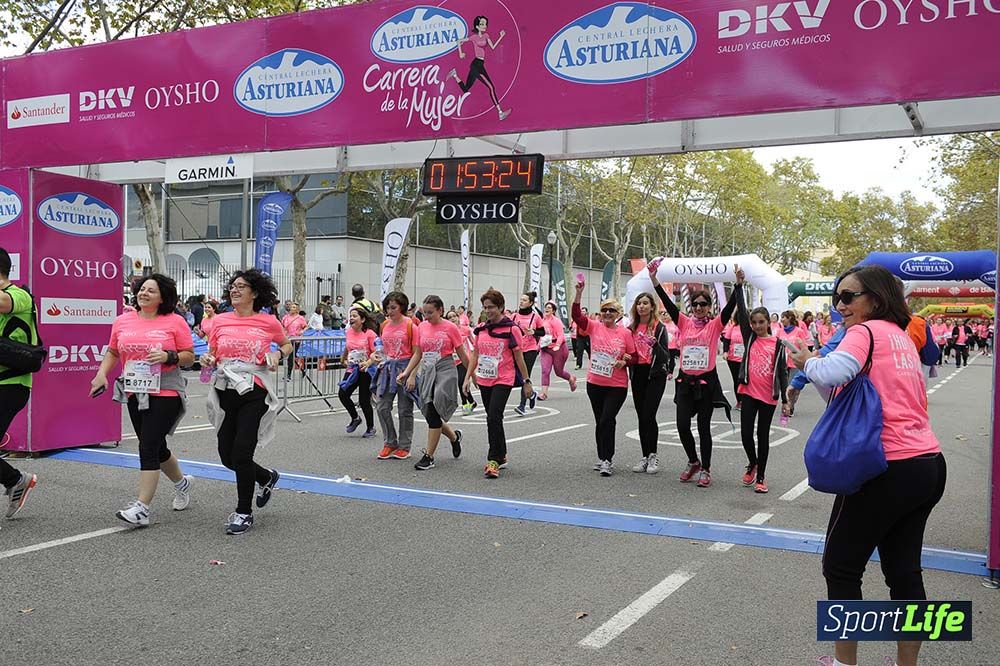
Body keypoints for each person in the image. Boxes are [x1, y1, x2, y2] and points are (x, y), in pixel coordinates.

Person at [789, 265, 945, 666]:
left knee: (840, 567)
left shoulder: (865, 332)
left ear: (874, 299)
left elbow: (833, 371)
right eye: (836, 298)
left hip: (885, 467)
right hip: (927, 464)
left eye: (847, 297)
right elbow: (850, 395)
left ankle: (844, 663)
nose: (840, 306)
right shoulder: (901, 338)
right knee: (904, 572)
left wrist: (807, 361)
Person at [91, 274, 195, 526]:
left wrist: (168, 356)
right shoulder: (122, 320)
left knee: (147, 446)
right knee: (156, 448)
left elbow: (189, 357)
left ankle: (142, 509)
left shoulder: (175, 321)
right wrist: (101, 374)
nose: (144, 293)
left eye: (151, 290)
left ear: (163, 298)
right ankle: (182, 483)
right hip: (135, 390)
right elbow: (114, 351)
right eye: (142, 289)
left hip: (166, 390)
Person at [201, 269, 292, 535]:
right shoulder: (219, 321)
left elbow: (286, 344)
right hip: (225, 388)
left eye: (241, 286)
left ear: (255, 292)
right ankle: (266, 477)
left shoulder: (267, 321)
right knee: (228, 457)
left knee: (241, 453)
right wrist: (208, 359)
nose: (235, 290)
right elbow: (213, 353)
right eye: (233, 286)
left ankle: (243, 512)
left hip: (254, 390)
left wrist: (277, 354)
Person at [650, 261, 738, 488]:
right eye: (696, 304)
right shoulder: (684, 322)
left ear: (709, 307)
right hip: (685, 383)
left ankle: (706, 468)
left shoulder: (715, 325)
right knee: (681, 425)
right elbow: (668, 304)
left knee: (703, 427)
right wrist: (654, 280)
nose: (699, 307)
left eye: (703, 304)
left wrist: (738, 285)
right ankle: (693, 461)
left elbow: (728, 310)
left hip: (706, 383)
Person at [462, 288, 534, 479]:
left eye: (492, 307)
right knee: (493, 418)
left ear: (501, 307)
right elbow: (475, 354)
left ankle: (492, 460)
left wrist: (527, 381)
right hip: (485, 378)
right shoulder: (482, 329)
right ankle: (501, 455)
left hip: (504, 378)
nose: (488, 311)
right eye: (485, 307)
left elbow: (519, 358)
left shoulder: (512, 329)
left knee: (494, 416)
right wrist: (468, 376)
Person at [572, 279, 636, 476]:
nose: (607, 314)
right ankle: (602, 457)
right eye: (604, 310)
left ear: (618, 315)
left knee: (608, 419)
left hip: (616, 385)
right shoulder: (594, 326)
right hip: (595, 383)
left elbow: (634, 357)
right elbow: (576, 316)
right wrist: (579, 293)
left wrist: (624, 361)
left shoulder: (625, 333)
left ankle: (608, 459)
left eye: (612, 311)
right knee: (600, 420)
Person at [732, 274, 787, 494]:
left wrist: (785, 400)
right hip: (749, 393)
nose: (756, 326)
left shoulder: (778, 344)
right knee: (746, 434)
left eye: (761, 322)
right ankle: (752, 463)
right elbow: (742, 309)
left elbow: (782, 373)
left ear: (768, 322)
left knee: (762, 436)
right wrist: (738, 285)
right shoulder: (750, 337)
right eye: (753, 323)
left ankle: (761, 476)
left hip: (768, 397)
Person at [408, 295, 469, 471]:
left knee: (434, 411)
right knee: (428, 412)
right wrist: (408, 373)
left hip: (445, 369)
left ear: (440, 310)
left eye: (430, 312)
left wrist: (471, 375)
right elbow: (418, 353)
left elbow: (462, 353)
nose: (426, 316)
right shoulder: (422, 326)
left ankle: (429, 456)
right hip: (428, 370)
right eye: (424, 312)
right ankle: (454, 437)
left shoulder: (450, 328)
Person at [0, 247, 38, 522]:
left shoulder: (20, 295)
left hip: (12, 384)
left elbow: (4, 304)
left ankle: (16, 479)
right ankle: (15, 479)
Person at [626, 291, 669, 475]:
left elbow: (666, 356)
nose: (641, 306)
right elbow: (627, 351)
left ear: (652, 306)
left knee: (648, 415)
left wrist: (655, 345)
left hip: (655, 374)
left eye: (645, 303)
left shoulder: (659, 328)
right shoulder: (631, 327)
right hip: (638, 374)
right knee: (641, 416)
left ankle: (653, 455)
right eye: (639, 303)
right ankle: (645, 456)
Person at [373, 292, 418, 460]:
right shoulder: (384, 325)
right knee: (382, 405)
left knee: (405, 409)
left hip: (405, 367)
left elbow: (417, 353)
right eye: (387, 308)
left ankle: (405, 446)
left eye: (393, 307)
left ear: (402, 307)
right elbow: (381, 347)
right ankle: (390, 442)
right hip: (387, 368)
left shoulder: (411, 325)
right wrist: (377, 357)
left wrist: (412, 374)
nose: (390, 311)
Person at [446, 15, 510, 120]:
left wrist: (501, 36)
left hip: (480, 64)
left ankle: (455, 74)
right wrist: (460, 53)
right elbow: (459, 41)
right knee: (491, 87)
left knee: (466, 89)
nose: (484, 26)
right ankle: (500, 112)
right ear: (477, 26)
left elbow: (493, 47)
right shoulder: (474, 37)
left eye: (485, 24)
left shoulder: (486, 36)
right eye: (482, 24)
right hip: (476, 65)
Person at [340, 307, 378, 439]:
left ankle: (370, 427)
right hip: (352, 368)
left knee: (363, 400)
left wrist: (367, 362)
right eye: (350, 316)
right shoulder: (349, 332)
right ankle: (355, 418)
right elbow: (348, 346)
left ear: (362, 319)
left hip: (365, 370)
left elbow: (376, 352)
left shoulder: (370, 334)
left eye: (354, 316)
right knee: (343, 393)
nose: (351, 318)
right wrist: (343, 358)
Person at [512, 291, 544, 416]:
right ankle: (532, 394)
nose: (521, 302)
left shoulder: (535, 317)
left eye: (524, 300)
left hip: (530, 349)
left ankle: (522, 405)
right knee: (516, 376)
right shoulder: (514, 316)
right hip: (517, 349)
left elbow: (543, 332)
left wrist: (534, 332)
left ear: (530, 303)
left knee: (525, 377)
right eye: (521, 299)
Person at [537, 301, 577, 400]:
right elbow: (541, 336)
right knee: (545, 371)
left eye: (549, 308)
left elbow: (560, 335)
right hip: (546, 349)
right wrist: (537, 347)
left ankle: (570, 378)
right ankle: (544, 394)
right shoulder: (542, 320)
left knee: (558, 372)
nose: (547, 309)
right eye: (546, 307)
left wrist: (558, 345)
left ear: (553, 310)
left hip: (559, 349)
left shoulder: (556, 321)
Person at [777, 310, 811, 425]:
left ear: (790, 318)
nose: (781, 319)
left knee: (794, 386)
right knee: (785, 385)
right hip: (783, 362)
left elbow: (804, 347)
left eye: (784, 317)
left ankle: (791, 406)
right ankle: (787, 405)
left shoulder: (799, 331)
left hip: (795, 362)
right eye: (781, 317)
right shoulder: (780, 331)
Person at [447, 310, 478, 415]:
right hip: (452, 360)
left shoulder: (466, 330)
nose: (452, 318)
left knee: (461, 381)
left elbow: (474, 342)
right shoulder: (447, 331)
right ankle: (471, 402)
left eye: (454, 316)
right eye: (450, 317)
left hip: (464, 360)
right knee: (458, 383)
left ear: (458, 317)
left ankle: (465, 404)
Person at [723, 313, 744, 408]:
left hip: (745, 358)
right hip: (733, 358)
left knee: (743, 379)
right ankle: (739, 401)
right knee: (736, 379)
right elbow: (726, 340)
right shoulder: (732, 327)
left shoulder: (750, 327)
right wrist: (725, 352)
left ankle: (746, 400)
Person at [661, 310, 680, 379]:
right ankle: (665, 371)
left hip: (673, 345)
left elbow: (678, 334)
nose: (666, 317)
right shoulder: (662, 325)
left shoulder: (675, 324)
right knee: (665, 359)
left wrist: (679, 342)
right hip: (664, 346)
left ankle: (670, 372)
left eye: (667, 315)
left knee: (672, 359)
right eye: (664, 315)